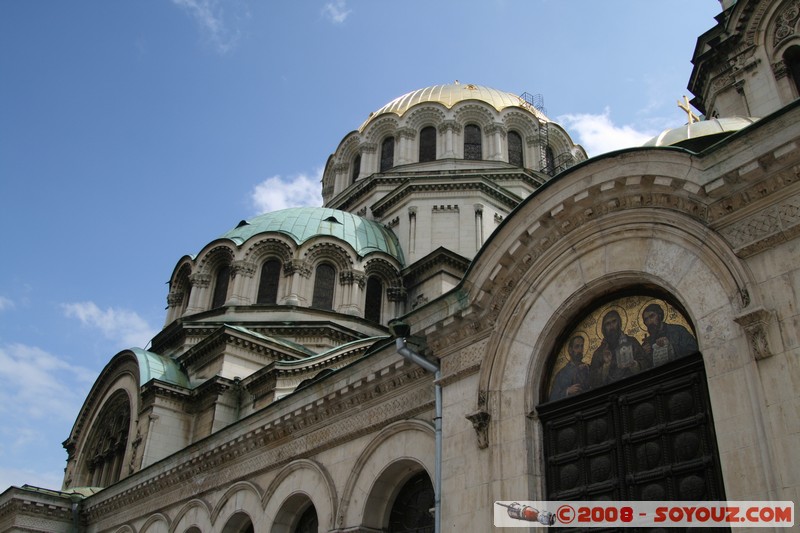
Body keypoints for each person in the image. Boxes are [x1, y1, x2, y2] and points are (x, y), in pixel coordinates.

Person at [590, 310, 651, 388]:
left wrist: (635, 365)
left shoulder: (631, 342)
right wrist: (606, 365)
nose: (611, 326)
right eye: (608, 324)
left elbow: (646, 362)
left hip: (635, 385)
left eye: (614, 321)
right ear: (604, 328)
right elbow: (592, 381)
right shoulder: (599, 353)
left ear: (619, 323)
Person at [550, 335, 590, 400]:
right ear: (570, 350)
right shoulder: (562, 374)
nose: (580, 350)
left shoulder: (588, 368)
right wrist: (567, 391)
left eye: (582, 346)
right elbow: (553, 398)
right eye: (577, 347)